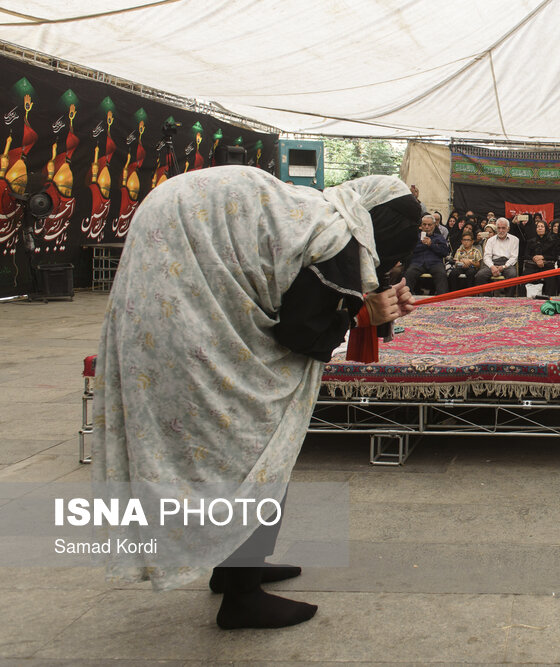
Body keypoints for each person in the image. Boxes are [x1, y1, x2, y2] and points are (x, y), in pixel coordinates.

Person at [92, 167, 419, 629]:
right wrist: (362, 313)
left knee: (243, 450)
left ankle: (235, 567)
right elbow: (302, 332)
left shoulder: (316, 211)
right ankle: (243, 595)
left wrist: (368, 308)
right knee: (260, 447)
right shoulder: (336, 233)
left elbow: (314, 298)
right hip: (195, 325)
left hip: (174, 302)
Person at [403, 214, 450, 295]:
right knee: (409, 273)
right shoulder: (416, 237)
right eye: (424, 224)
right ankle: (407, 297)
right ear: (421, 226)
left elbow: (445, 252)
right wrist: (423, 244)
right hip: (418, 263)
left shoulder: (439, 238)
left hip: (435, 263)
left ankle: (442, 298)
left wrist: (431, 244)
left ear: (434, 225)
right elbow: (410, 250)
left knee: (441, 274)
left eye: (429, 225)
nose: (427, 227)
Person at [474, 216, 519, 292]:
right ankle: (487, 298)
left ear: (508, 229)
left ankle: (509, 299)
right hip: (493, 262)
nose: (501, 230)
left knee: (512, 275)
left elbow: (514, 257)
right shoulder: (490, 240)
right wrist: (492, 267)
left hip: (507, 264)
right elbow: (487, 256)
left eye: (503, 228)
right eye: (499, 228)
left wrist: (504, 267)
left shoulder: (515, 239)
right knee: (480, 275)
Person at [522, 218, 559, 295]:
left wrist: (543, 257)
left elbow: (554, 256)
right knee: (524, 278)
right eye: (538, 226)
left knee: (551, 279)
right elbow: (526, 255)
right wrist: (535, 259)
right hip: (532, 266)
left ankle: (550, 299)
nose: (540, 228)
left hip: (547, 266)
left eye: (542, 226)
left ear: (546, 229)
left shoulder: (552, 241)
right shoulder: (530, 241)